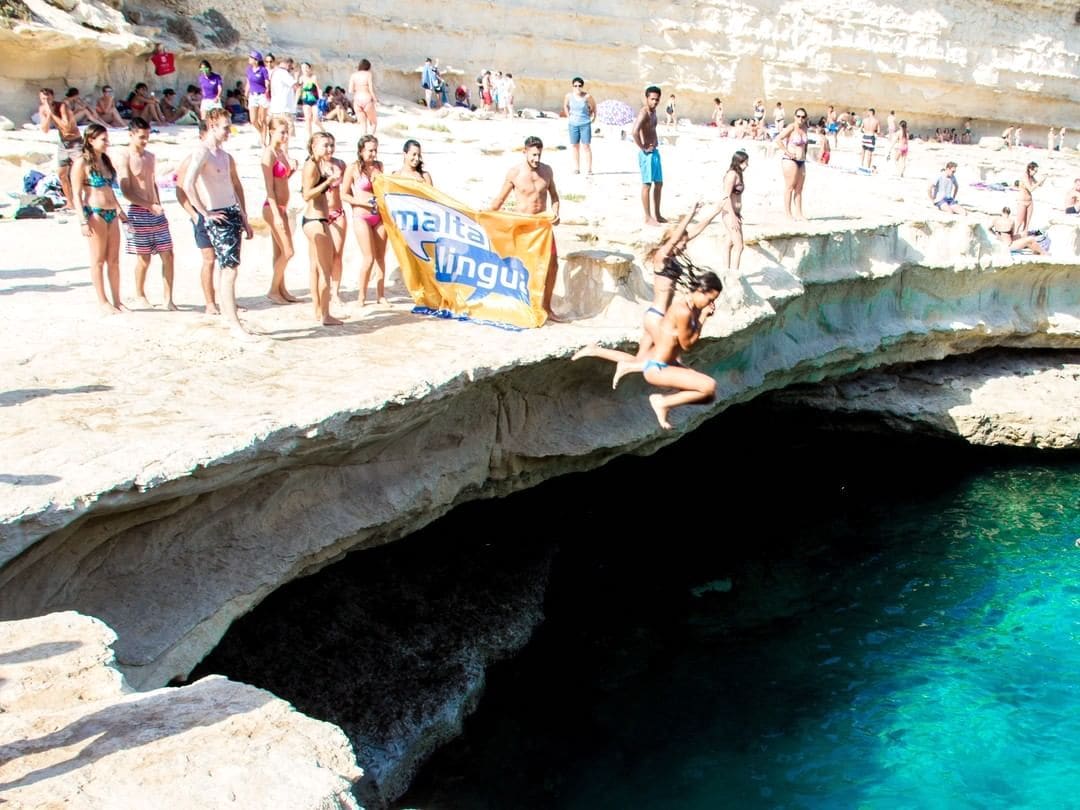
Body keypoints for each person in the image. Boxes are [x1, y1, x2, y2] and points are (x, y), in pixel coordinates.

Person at [573, 272, 723, 430]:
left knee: (709, 396)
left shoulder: (692, 307)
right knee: (709, 386)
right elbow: (687, 344)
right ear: (700, 291)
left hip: (668, 363)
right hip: (659, 369)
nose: (710, 303)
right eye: (710, 299)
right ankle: (661, 402)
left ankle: (608, 357)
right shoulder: (683, 311)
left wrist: (701, 313)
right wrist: (703, 317)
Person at [182, 107, 255, 338]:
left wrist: (243, 215)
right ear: (212, 126)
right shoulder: (202, 152)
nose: (228, 132)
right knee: (229, 269)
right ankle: (233, 322)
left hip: (231, 211)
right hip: (217, 213)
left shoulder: (224, 156)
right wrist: (203, 212)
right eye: (225, 127)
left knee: (230, 268)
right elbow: (187, 184)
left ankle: (229, 315)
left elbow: (233, 186)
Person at [489, 135, 562, 322]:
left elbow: (554, 197)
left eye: (539, 155)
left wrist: (556, 212)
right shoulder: (514, 173)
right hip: (522, 226)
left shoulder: (547, 171)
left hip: (542, 227)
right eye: (533, 155)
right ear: (525, 152)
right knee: (520, 267)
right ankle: (519, 305)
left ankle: (547, 307)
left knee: (552, 265)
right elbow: (500, 199)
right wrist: (484, 216)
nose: (536, 159)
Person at [117, 117, 175, 310]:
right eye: (141, 137)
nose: (144, 141)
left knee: (168, 254)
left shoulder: (150, 156)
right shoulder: (124, 157)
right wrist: (149, 205)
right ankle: (140, 294)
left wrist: (157, 203)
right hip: (138, 210)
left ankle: (168, 298)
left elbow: (152, 183)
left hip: (155, 209)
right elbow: (126, 190)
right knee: (144, 257)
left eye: (147, 136)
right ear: (131, 135)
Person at [72, 124, 128, 314]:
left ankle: (117, 300)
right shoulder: (82, 163)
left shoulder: (105, 160)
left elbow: (110, 189)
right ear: (91, 140)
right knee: (98, 259)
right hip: (95, 212)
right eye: (103, 140)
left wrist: (120, 211)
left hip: (111, 212)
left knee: (114, 260)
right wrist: (82, 220)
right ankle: (102, 301)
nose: (107, 143)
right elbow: (76, 194)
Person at [301, 131, 346, 325]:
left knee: (315, 269)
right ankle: (325, 314)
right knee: (324, 270)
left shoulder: (317, 164)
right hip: (316, 221)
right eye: (325, 145)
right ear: (313, 146)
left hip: (315, 219)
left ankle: (318, 311)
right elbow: (306, 194)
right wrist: (328, 181)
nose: (329, 149)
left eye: (331, 145)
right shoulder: (311, 166)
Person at [175, 121, 220, 314]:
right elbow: (181, 190)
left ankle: (224, 299)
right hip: (202, 214)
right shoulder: (191, 159)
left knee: (225, 260)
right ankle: (210, 302)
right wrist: (193, 213)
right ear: (203, 135)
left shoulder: (219, 157)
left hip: (219, 210)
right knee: (209, 259)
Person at [341, 134, 388, 309]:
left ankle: (381, 295)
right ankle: (361, 296)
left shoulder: (379, 166)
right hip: (361, 215)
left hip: (379, 216)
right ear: (361, 151)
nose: (373, 154)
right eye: (370, 150)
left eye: (375, 150)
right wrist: (361, 202)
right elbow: (344, 194)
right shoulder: (352, 168)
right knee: (368, 257)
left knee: (381, 257)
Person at [261, 117, 299, 305]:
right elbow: (269, 187)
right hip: (272, 207)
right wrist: (276, 214)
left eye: (286, 132)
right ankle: (273, 290)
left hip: (282, 207)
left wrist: (291, 171)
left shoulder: (280, 153)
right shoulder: (269, 154)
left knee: (279, 253)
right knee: (288, 251)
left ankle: (281, 289)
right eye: (281, 132)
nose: (285, 136)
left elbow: (282, 180)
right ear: (271, 132)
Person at [38, 88, 81, 212]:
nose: (46, 101)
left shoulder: (62, 106)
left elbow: (67, 126)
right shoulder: (42, 109)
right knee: (62, 174)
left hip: (75, 142)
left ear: (53, 97)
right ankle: (70, 202)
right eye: (43, 99)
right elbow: (45, 129)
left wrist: (52, 114)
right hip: (63, 143)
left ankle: (83, 200)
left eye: (48, 98)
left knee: (79, 172)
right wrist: (47, 114)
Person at [632, 86, 664, 225]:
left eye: (657, 100)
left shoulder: (654, 111)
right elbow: (634, 131)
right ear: (646, 98)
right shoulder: (644, 113)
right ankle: (647, 217)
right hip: (647, 154)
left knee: (659, 183)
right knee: (647, 185)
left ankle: (657, 214)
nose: (655, 102)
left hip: (654, 151)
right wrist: (643, 147)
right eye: (652, 99)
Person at [711, 150, 748, 271]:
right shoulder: (731, 175)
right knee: (739, 245)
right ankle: (734, 272)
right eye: (745, 163)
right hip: (729, 213)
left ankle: (726, 270)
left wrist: (738, 213)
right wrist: (733, 217)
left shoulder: (739, 174)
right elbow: (726, 197)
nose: (746, 165)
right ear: (738, 162)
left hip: (735, 213)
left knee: (729, 241)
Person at [776, 106, 809, 220]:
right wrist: (787, 152)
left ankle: (799, 213)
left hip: (801, 161)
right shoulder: (791, 127)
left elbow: (805, 144)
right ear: (795, 117)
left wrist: (805, 154)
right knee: (789, 187)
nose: (801, 118)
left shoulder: (805, 128)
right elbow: (778, 139)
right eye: (798, 116)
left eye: (803, 116)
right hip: (790, 160)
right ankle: (788, 213)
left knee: (799, 189)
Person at [563, 77, 596, 175]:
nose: (577, 87)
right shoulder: (569, 96)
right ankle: (576, 168)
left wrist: (594, 117)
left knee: (586, 146)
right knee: (575, 146)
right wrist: (568, 116)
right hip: (573, 124)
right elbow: (565, 105)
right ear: (572, 86)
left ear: (582, 86)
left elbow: (594, 106)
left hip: (585, 123)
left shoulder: (587, 96)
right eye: (575, 85)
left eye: (580, 85)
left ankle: (589, 169)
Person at [348, 59, 379, 135]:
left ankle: (364, 140)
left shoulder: (353, 75)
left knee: (363, 125)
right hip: (367, 99)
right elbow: (371, 89)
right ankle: (371, 139)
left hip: (357, 100)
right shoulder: (368, 74)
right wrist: (375, 100)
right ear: (368, 67)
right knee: (373, 123)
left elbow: (350, 90)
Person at [246, 51, 271, 145]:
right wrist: (245, 93)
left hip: (262, 95)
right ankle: (262, 133)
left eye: (251, 57)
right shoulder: (248, 70)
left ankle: (264, 141)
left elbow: (267, 82)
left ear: (256, 60)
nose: (249, 59)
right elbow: (248, 82)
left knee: (262, 119)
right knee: (253, 120)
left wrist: (267, 90)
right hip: (252, 95)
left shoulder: (263, 70)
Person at [268, 57, 298, 134]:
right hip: (284, 108)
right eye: (290, 66)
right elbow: (295, 86)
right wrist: (296, 76)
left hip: (275, 107)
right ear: (287, 64)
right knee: (289, 129)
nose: (291, 68)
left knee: (277, 130)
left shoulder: (275, 73)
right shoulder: (283, 73)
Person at [1015, 161, 1045, 234]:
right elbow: (1030, 189)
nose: (1035, 172)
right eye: (1035, 171)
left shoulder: (1031, 177)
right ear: (1029, 169)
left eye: (1036, 171)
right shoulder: (1024, 176)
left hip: (1030, 201)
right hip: (1022, 201)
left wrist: (1044, 179)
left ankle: (1024, 238)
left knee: (1027, 223)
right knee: (1019, 222)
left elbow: (1040, 185)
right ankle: (1013, 238)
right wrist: (1039, 182)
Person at [298, 62, 324, 142]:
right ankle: (310, 137)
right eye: (302, 68)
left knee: (315, 119)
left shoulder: (314, 77)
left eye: (306, 67)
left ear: (309, 68)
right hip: (305, 100)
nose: (304, 69)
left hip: (315, 100)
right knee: (307, 119)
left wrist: (320, 96)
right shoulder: (301, 78)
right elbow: (298, 89)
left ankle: (323, 130)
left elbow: (318, 88)